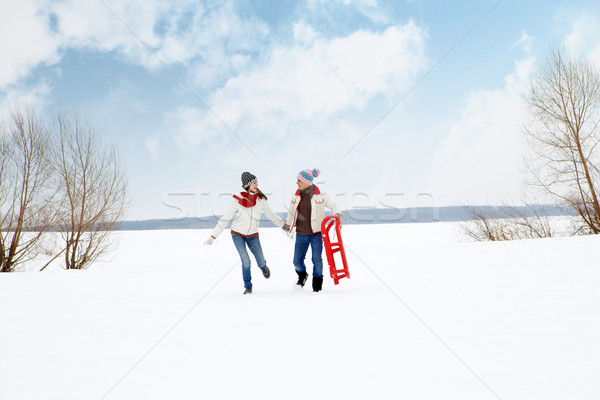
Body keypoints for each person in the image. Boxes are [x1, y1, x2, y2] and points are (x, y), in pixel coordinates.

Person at [204, 172, 284, 294]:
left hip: (253, 236)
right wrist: (213, 236)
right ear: (247, 185)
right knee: (246, 261)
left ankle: (263, 267)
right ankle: (248, 286)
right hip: (238, 235)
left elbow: (270, 214)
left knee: (260, 260)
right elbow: (226, 218)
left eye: (257, 181)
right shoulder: (237, 200)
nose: (257, 184)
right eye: (254, 182)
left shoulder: (260, 200)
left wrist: (282, 225)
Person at [283, 168, 342, 292]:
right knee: (297, 261)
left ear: (307, 181)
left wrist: (337, 213)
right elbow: (291, 213)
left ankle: (317, 287)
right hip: (301, 234)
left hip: (316, 234)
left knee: (317, 260)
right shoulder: (296, 195)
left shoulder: (321, 195)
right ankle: (302, 275)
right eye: (297, 180)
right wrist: (287, 225)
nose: (297, 182)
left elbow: (333, 205)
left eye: (299, 180)